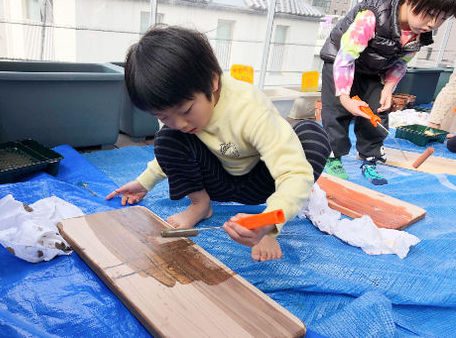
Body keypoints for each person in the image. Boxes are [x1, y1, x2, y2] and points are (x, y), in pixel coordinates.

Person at [106, 26, 330, 261]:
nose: (180, 123)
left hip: (261, 183)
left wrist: (267, 222)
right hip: (216, 182)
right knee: (167, 137)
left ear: (213, 81)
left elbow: (293, 172)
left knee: (312, 135)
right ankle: (200, 205)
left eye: (186, 110)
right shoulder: (177, 117)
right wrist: (144, 183)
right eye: (164, 117)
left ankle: (266, 231)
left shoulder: (249, 109)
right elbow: (171, 151)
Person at [320, 0, 456, 185]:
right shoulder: (372, 16)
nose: (433, 24)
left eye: (442, 18)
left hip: (373, 69)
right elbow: (346, 58)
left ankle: (370, 157)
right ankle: (333, 156)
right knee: (337, 111)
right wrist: (345, 97)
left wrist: (388, 88)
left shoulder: (419, 34)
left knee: (378, 110)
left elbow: (401, 63)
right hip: (340, 60)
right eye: (430, 14)